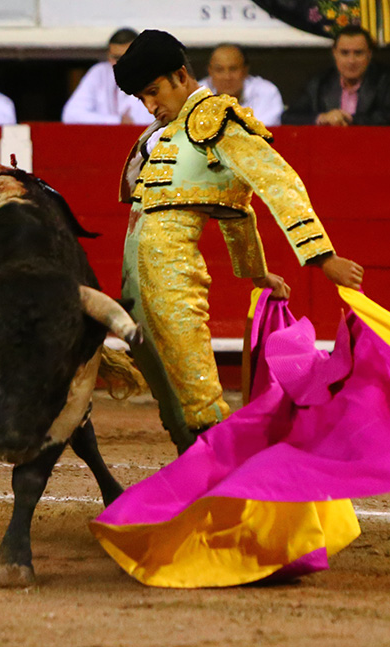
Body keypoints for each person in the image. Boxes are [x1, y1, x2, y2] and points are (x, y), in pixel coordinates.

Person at [113, 29, 363, 453]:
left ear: (180, 75)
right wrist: (257, 272)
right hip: (135, 282)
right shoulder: (168, 130)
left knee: (198, 394)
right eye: (142, 98)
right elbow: (232, 208)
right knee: (168, 391)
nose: (150, 105)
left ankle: (232, 481)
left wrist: (322, 256)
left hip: (173, 277)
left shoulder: (216, 119)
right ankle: (195, 476)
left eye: (154, 92)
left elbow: (277, 183)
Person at [282, 26, 390, 126]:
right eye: (344, 53)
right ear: (334, 54)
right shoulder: (319, 82)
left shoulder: (387, 80)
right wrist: (323, 118)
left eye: (358, 53)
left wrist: (348, 119)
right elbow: (288, 117)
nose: (351, 61)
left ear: (369, 55)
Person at [61, 28, 152, 125]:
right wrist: (117, 121)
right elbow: (70, 115)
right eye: (116, 58)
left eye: (127, 57)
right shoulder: (99, 72)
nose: (122, 63)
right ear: (109, 56)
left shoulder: (153, 76)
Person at [200, 43, 284, 126]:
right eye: (219, 70)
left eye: (233, 69)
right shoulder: (197, 94)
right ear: (210, 71)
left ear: (245, 70)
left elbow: (262, 132)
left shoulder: (266, 92)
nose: (227, 77)